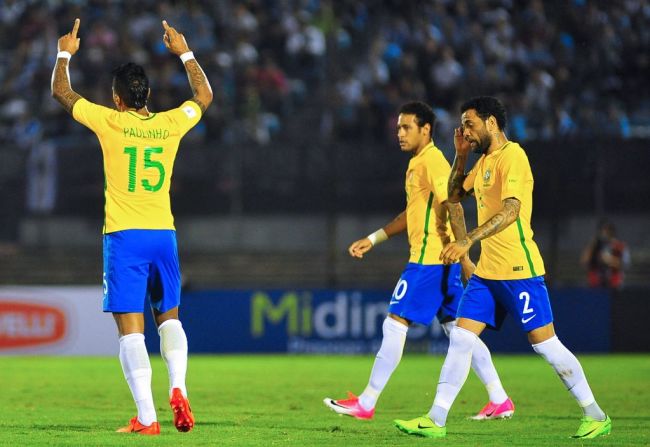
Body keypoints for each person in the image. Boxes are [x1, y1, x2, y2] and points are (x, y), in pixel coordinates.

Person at [393, 96, 611, 439]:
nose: (464, 129)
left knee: (546, 346)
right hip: (486, 274)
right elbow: (453, 195)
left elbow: (510, 211)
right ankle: (435, 420)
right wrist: (461, 155)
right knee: (461, 339)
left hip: (518, 268)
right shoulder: (483, 162)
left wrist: (468, 242)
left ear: (491, 122)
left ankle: (595, 413)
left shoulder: (514, 157)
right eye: (463, 124)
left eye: (470, 123)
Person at [51, 19, 213, 435]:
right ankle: (178, 388)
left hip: (124, 237)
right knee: (171, 320)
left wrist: (64, 52)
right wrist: (185, 51)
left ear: (118, 99)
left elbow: (61, 92)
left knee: (130, 332)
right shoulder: (172, 123)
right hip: (164, 235)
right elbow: (205, 95)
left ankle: (147, 418)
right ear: (148, 96)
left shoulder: (111, 122)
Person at [323, 101, 514, 421]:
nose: (400, 133)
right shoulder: (417, 164)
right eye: (398, 127)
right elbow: (408, 216)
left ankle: (367, 402)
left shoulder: (433, 162)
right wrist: (372, 239)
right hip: (440, 263)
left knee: (394, 323)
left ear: (426, 129)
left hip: (429, 262)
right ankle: (499, 398)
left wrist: (465, 257)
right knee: (460, 332)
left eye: (406, 127)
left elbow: (453, 205)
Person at [581, 220, 630, 289]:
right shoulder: (594, 246)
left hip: (614, 286)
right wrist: (592, 245)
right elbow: (584, 262)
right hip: (595, 285)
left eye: (608, 230)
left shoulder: (620, 246)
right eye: (603, 230)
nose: (605, 233)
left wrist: (609, 260)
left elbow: (625, 265)